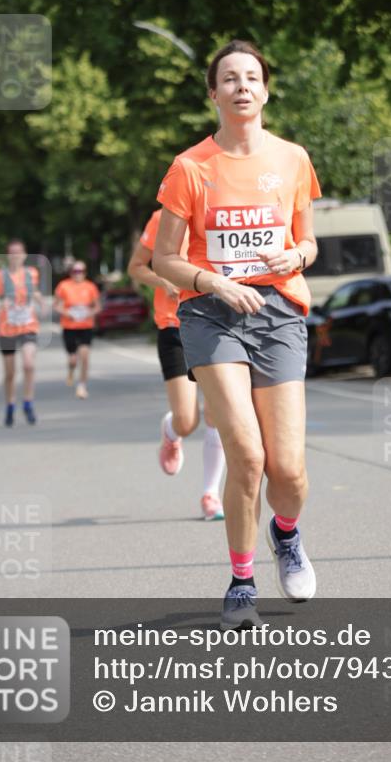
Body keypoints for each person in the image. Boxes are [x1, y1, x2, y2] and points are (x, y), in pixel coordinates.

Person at [153, 39, 321, 629]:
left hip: (278, 314)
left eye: (252, 77)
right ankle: (242, 581)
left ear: (266, 90)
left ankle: (286, 534)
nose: (242, 86)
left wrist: (291, 257)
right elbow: (164, 259)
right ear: (214, 93)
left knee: (289, 471)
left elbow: (309, 242)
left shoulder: (294, 159)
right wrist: (214, 283)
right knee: (246, 457)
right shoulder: (190, 167)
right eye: (229, 78)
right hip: (211, 316)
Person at [128, 210, 227, 521]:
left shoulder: (223, 212)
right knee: (188, 421)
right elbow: (136, 267)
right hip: (173, 326)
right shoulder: (161, 218)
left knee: (217, 413)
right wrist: (163, 280)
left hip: (216, 324)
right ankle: (172, 432)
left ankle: (210, 494)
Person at [0, 240, 44, 427]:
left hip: (28, 325)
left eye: (19, 252)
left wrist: (40, 302)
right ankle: (10, 405)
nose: (16, 255)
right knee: (10, 372)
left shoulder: (32, 273)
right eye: (12, 252)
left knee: (28, 364)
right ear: (7, 256)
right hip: (7, 328)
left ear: (25, 255)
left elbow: (33, 292)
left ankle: (28, 402)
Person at [53, 261, 101, 399]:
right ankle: (71, 370)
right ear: (71, 272)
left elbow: (97, 306)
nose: (78, 274)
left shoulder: (90, 287)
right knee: (73, 359)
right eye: (75, 271)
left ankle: (82, 385)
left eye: (80, 271)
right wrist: (68, 313)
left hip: (86, 326)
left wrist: (88, 313)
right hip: (69, 326)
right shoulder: (64, 286)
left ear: (85, 272)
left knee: (85, 356)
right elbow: (56, 305)